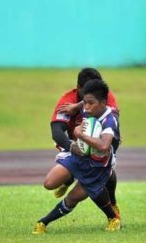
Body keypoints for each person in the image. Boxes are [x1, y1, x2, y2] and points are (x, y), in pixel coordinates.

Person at [33, 79, 121, 234]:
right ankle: (69, 180)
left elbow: (104, 146)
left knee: (73, 198)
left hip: (97, 167)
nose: (86, 107)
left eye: (90, 103)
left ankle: (113, 218)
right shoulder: (89, 108)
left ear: (103, 103)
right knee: (49, 183)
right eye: (84, 102)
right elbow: (85, 102)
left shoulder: (109, 120)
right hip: (80, 157)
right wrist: (75, 106)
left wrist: (80, 134)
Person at [50, 68, 120, 216]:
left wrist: (107, 153)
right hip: (75, 144)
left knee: (106, 173)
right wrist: (71, 146)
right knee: (50, 184)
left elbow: (112, 124)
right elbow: (56, 131)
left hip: (99, 145)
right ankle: (69, 180)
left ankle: (112, 205)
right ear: (79, 88)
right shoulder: (67, 100)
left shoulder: (106, 96)